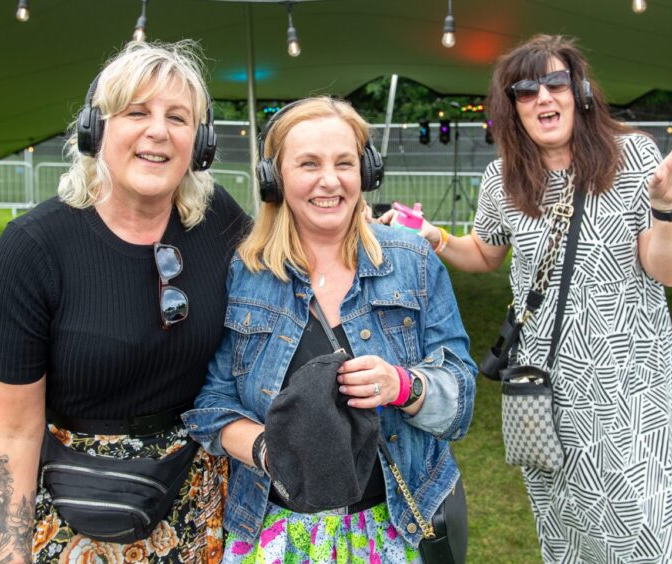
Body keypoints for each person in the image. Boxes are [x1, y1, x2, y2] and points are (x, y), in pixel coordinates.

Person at [383, 35, 672, 563]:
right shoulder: (501, 179)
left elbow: (668, 271)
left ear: (579, 91)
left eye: (555, 82)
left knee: (644, 534)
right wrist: (435, 236)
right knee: (567, 537)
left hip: (631, 393)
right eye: (525, 90)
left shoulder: (632, 156)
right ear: (512, 108)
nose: (543, 97)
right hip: (544, 392)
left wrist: (664, 207)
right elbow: (487, 253)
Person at [0, 41, 249, 563]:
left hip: (200, 504)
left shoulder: (217, 219)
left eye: (178, 117)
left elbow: (291, 270)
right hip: (78, 506)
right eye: (136, 112)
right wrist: (10, 557)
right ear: (95, 129)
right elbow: (11, 429)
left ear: (201, 142)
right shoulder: (35, 246)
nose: (158, 131)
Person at [184, 97, 476, 562]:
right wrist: (267, 451)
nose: (329, 180)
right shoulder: (245, 273)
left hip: (396, 527)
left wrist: (402, 385)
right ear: (274, 178)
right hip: (274, 533)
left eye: (344, 163)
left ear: (367, 172)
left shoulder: (414, 261)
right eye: (308, 164)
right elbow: (212, 405)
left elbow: (461, 399)